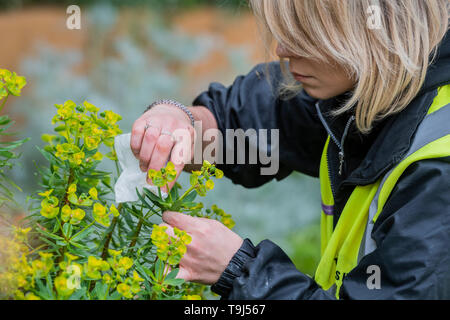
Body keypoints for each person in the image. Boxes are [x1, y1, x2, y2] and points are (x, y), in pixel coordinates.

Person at [130, 0, 450, 299]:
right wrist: (178, 121)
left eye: (305, 33)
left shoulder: (439, 169)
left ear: (372, 30)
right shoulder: (357, 83)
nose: (282, 49)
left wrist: (239, 270)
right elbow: (238, 125)